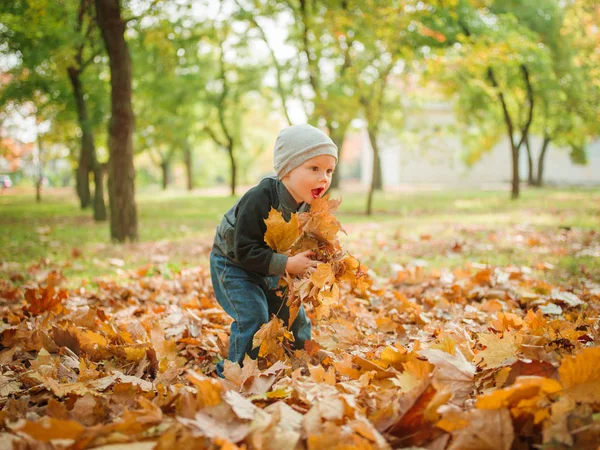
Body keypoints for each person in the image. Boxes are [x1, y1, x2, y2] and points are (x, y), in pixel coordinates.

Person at [210, 124, 338, 377]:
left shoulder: (309, 204)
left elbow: (306, 241)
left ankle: (301, 356)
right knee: (253, 316)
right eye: (314, 168)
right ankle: (234, 372)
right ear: (287, 170)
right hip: (234, 265)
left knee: (293, 312)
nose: (324, 177)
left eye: (329, 170)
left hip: (272, 264)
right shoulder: (259, 198)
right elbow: (244, 250)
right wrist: (287, 265)